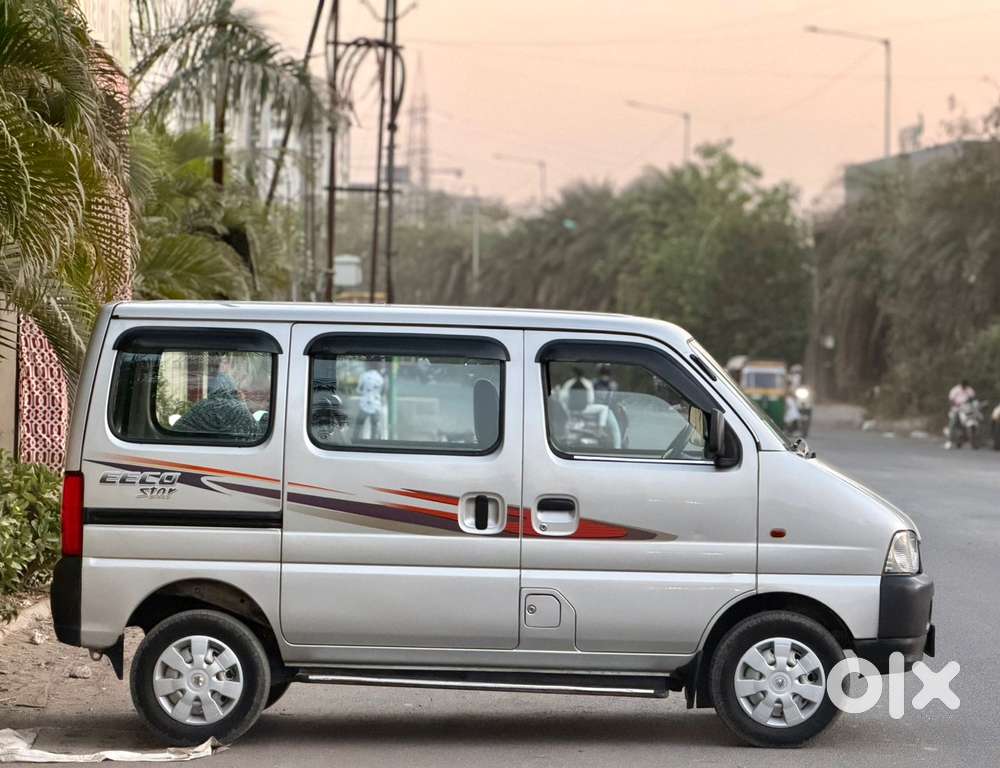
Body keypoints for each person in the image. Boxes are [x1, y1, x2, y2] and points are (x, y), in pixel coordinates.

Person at [353, 359, 385, 442]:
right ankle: (373, 444)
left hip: (364, 403)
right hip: (376, 405)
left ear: (368, 365)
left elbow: (358, 389)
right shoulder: (380, 377)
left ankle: (355, 442)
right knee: (375, 426)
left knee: (359, 424)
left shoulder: (364, 375)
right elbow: (382, 392)